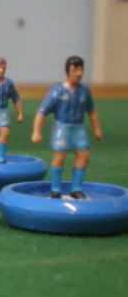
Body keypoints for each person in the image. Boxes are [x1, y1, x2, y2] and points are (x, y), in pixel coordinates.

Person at [32, 55, 102, 199]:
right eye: (76, 69)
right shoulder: (58, 90)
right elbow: (42, 113)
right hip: (62, 128)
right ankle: (55, 189)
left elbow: (92, 111)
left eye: (81, 69)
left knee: (84, 156)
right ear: (68, 71)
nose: (79, 73)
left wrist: (97, 129)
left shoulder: (84, 90)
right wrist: (37, 132)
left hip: (78, 129)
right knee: (59, 157)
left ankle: (76, 189)